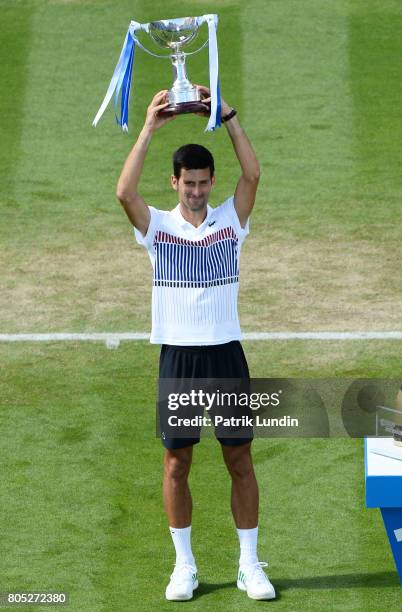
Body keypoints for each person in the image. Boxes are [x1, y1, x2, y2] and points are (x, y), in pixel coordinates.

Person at [116, 87, 275, 601]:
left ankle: (249, 564)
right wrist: (147, 128)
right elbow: (124, 193)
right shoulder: (156, 227)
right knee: (177, 463)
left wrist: (226, 115)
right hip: (179, 359)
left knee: (240, 461)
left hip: (226, 353)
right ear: (175, 182)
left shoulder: (232, 220)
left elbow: (252, 174)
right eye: (190, 184)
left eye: (205, 183)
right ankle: (183, 566)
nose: (198, 192)